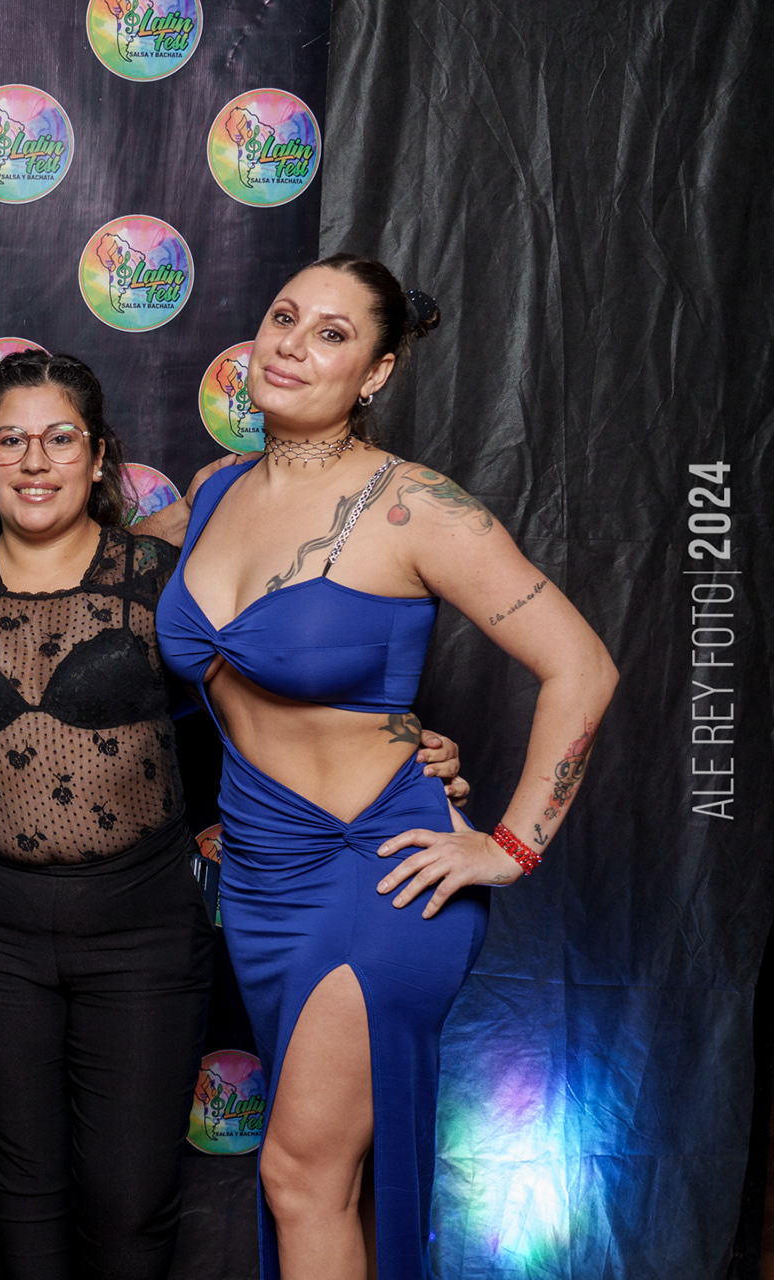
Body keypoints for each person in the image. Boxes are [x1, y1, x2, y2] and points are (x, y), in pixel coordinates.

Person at [0, 350, 466, 1280]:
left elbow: (282, 690)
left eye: (61, 439)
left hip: (138, 926)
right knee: (21, 1192)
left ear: (99, 456)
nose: (35, 461)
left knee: (130, 1201)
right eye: (10, 441)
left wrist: (399, 748)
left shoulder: (162, 577)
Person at [156, 253, 619, 1280]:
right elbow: (102, 567)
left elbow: (581, 665)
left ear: (376, 372)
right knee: (332, 1183)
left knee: (300, 1175)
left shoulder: (416, 507)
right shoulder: (215, 490)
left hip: (375, 870)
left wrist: (511, 844)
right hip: (262, 877)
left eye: (332, 334)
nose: (292, 345)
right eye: (284, 317)